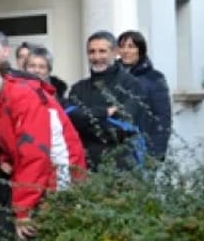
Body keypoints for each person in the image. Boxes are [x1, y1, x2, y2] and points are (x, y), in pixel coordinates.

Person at [0, 53, 86, 235]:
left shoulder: (21, 96)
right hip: (42, 178)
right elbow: (13, 141)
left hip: (60, 176)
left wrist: (23, 209)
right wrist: (6, 159)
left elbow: (35, 154)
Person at [66, 31, 147, 171]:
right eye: (92, 52)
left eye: (102, 51)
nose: (97, 57)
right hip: (85, 165)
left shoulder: (131, 85)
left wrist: (85, 119)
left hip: (121, 166)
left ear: (115, 52)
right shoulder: (78, 88)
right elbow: (70, 119)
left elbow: (124, 125)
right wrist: (104, 112)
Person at [117, 30, 171, 159]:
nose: (126, 51)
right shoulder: (112, 76)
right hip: (115, 148)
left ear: (140, 50)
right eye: (122, 46)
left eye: (131, 46)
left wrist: (156, 153)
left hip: (142, 148)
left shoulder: (154, 78)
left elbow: (162, 117)